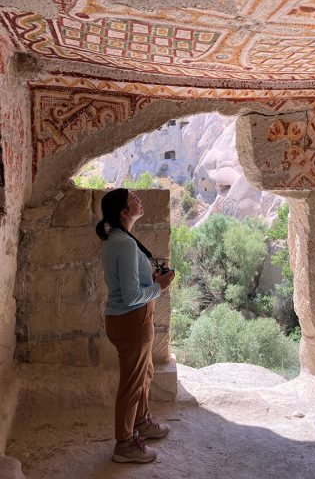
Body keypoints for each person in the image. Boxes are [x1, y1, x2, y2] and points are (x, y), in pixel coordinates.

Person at [96, 188, 175, 463]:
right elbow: (131, 296)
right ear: (124, 212)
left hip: (130, 320)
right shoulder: (125, 243)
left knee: (144, 374)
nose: (139, 199)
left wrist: (150, 278)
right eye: (133, 198)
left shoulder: (119, 238)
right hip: (131, 321)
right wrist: (159, 286)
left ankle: (141, 422)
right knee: (131, 384)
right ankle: (125, 444)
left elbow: (128, 282)